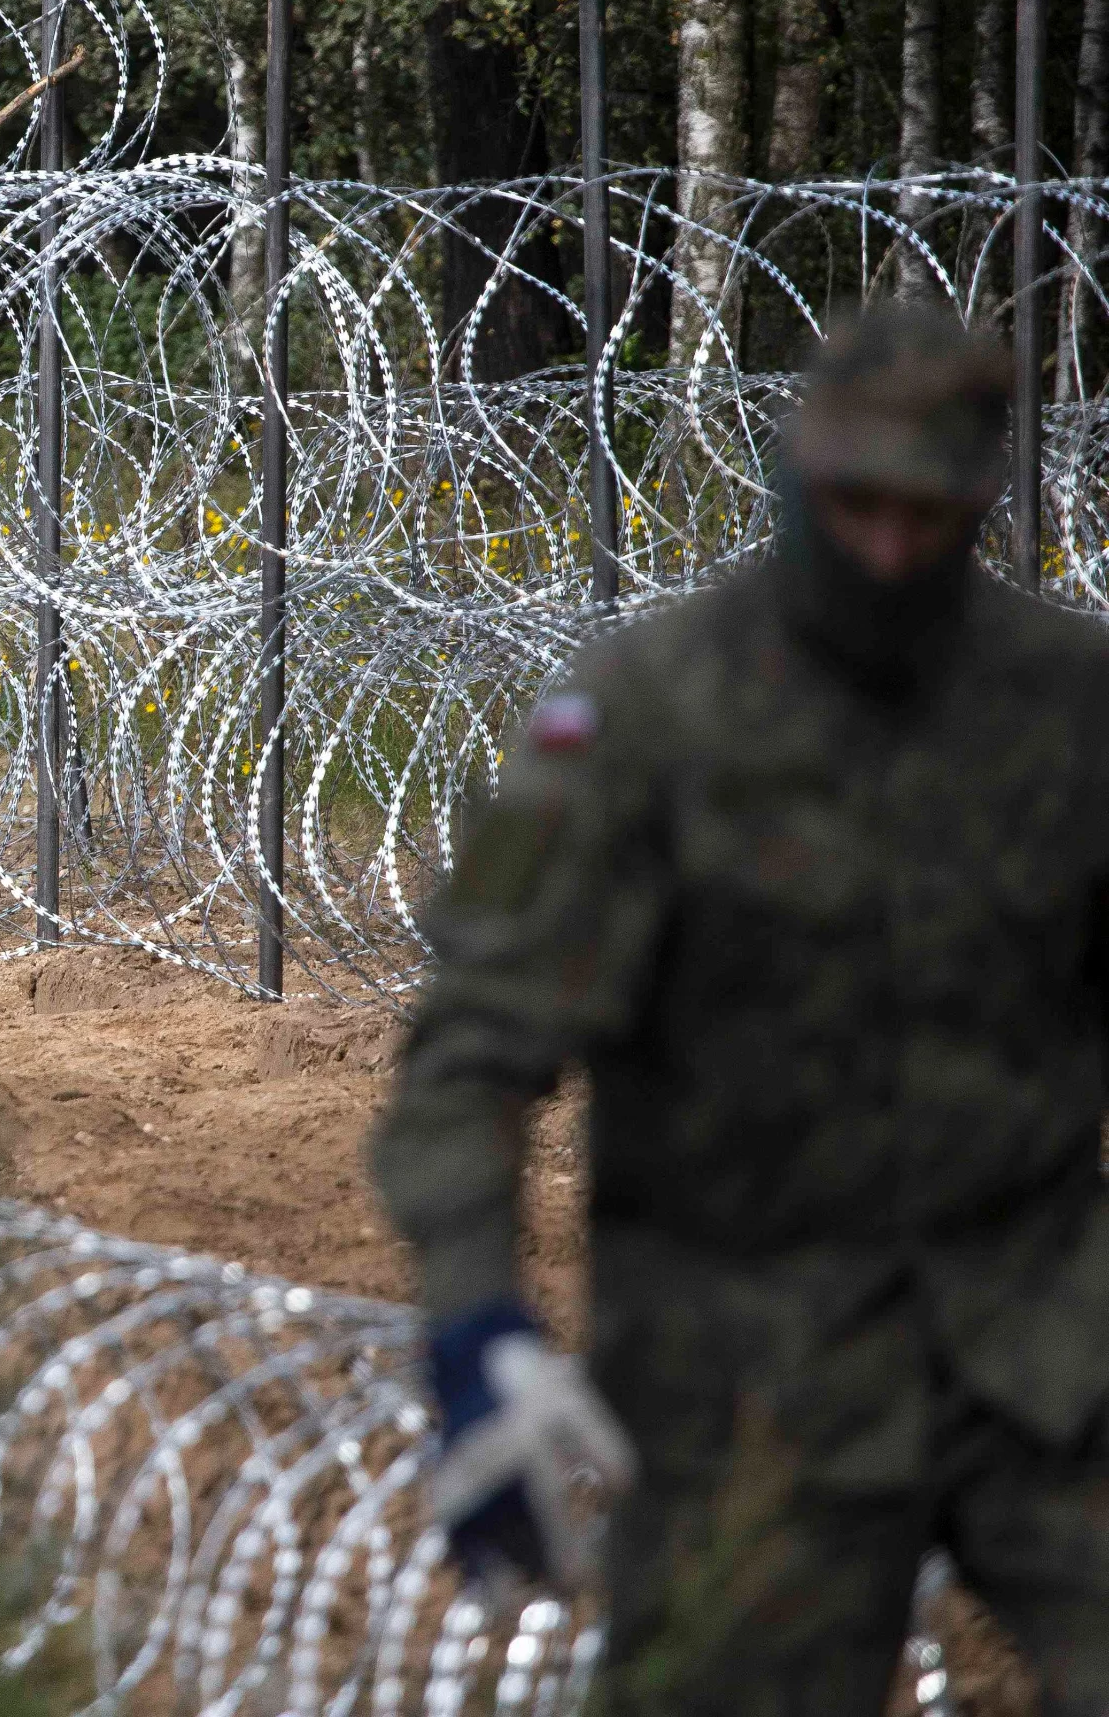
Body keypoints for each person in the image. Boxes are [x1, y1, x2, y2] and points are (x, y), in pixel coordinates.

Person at [372, 307, 1109, 1717]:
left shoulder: (1070, 708)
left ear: (986, 503)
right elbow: (475, 1046)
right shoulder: (652, 713)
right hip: (750, 1391)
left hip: (1046, 1362)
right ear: (795, 477)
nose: (890, 547)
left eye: (930, 512)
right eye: (858, 505)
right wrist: (475, 1319)